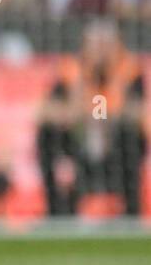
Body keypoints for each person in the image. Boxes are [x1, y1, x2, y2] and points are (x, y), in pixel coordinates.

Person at [37, 21, 146, 217]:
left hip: (116, 148)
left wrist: (110, 113)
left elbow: (139, 110)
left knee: (131, 134)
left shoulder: (129, 70)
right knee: (47, 134)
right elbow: (44, 110)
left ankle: (131, 211)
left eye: (107, 45)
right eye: (96, 45)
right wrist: (75, 108)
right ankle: (56, 211)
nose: (101, 52)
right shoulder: (71, 70)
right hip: (80, 144)